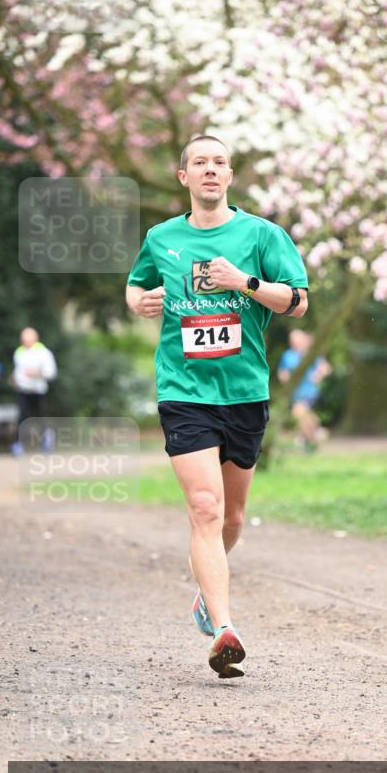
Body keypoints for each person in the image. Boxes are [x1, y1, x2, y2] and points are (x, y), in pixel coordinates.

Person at [125, 134, 309, 679]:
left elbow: (298, 302)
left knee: (231, 516)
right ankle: (225, 628)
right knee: (204, 508)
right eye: (200, 163)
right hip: (183, 393)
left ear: (230, 176)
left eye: (220, 163)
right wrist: (141, 302)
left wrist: (245, 282)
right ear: (184, 176)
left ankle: (207, 596)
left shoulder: (261, 235)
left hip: (245, 392)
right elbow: (135, 288)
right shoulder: (162, 237)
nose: (210, 170)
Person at [277, 329, 331, 450]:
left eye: (296, 339)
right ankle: (316, 434)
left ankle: (306, 440)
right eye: (292, 339)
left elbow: (325, 368)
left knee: (297, 413)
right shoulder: (288, 355)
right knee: (306, 416)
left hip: (309, 391)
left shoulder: (309, 354)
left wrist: (318, 375)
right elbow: (282, 372)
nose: (294, 341)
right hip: (295, 392)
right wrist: (285, 380)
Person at [10, 328, 57, 456]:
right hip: (22, 390)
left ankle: (46, 440)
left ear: (35, 338)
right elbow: (18, 371)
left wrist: (37, 373)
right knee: (21, 417)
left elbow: (51, 372)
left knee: (39, 417)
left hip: (38, 390)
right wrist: (14, 378)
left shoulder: (43, 352)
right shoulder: (19, 352)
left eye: (27, 337)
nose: (24, 340)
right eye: (23, 337)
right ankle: (17, 444)